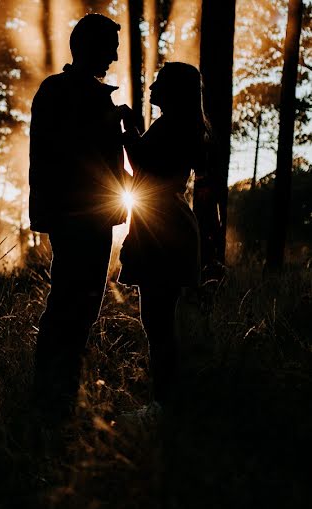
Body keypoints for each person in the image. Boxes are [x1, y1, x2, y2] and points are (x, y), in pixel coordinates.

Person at [29, 13, 129, 424]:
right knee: (72, 299)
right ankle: (53, 393)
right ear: (89, 47)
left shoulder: (84, 93)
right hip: (77, 215)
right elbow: (72, 155)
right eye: (110, 46)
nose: (116, 55)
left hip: (92, 215)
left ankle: (62, 389)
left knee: (82, 301)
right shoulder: (61, 92)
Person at [118, 62, 208, 417]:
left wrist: (127, 131)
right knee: (160, 320)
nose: (152, 87)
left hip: (163, 230)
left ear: (173, 91)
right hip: (168, 226)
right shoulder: (179, 126)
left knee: (157, 322)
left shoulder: (171, 126)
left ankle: (163, 404)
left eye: (159, 82)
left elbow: (144, 166)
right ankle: (166, 400)